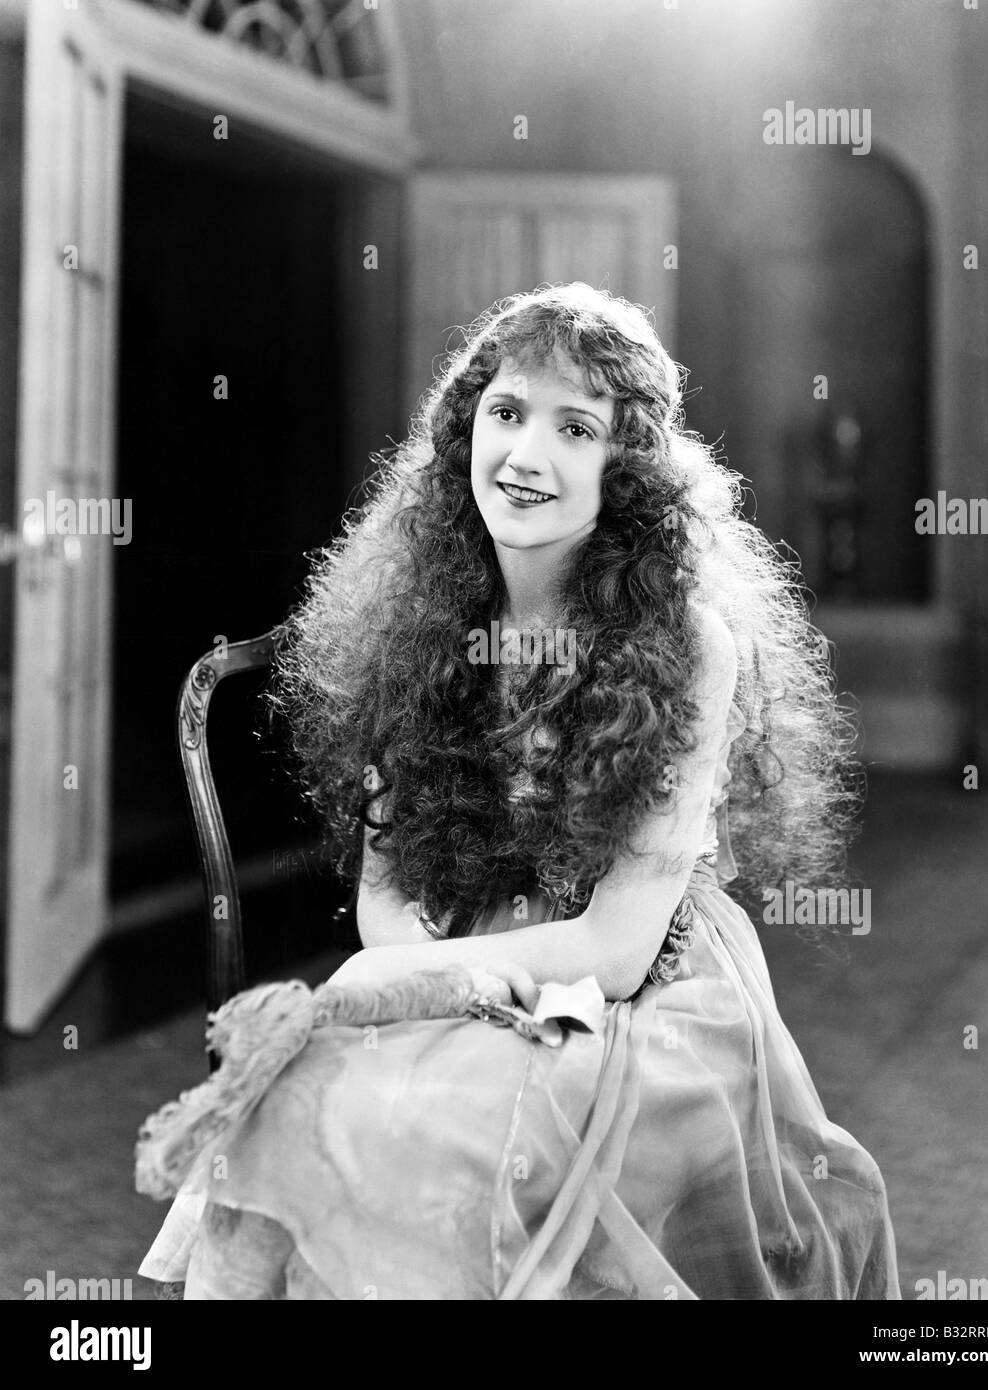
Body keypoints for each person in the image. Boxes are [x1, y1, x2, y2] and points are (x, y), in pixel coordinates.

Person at [135, 282, 900, 1300]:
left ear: (624, 473)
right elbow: (384, 905)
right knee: (288, 1103)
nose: (525, 455)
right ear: (465, 433)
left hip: (650, 993)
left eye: (574, 427)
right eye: (506, 412)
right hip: (455, 957)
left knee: (456, 1129)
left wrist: (398, 986)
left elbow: (617, 948)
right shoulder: (422, 629)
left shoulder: (686, 647)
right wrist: (421, 984)